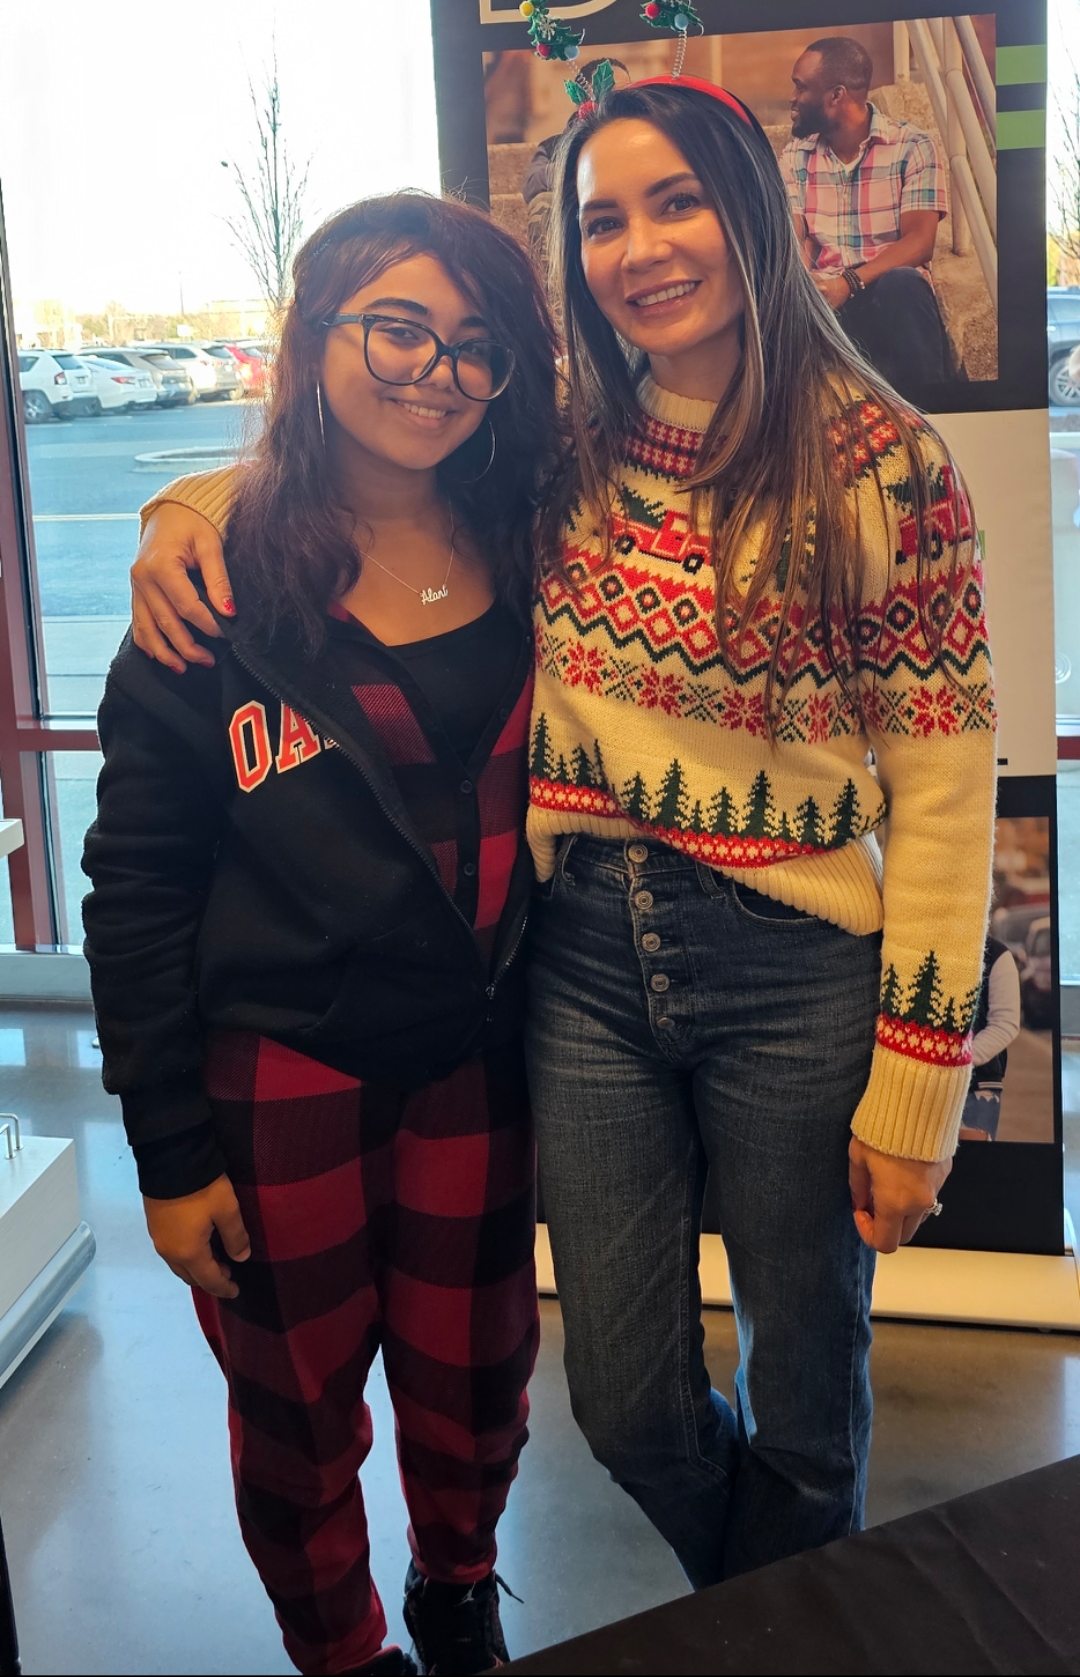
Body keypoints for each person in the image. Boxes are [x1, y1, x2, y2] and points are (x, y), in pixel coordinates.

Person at [129, 76, 995, 1588]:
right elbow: (357, 464)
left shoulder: (888, 465)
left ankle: (781, 1628)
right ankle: (791, 1609)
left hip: (795, 969)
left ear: (757, 214)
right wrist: (182, 511)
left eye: (677, 203)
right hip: (581, 960)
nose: (642, 247)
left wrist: (919, 1087)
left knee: (803, 1398)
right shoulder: (567, 450)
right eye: (604, 219)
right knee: (625, 1401)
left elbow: (942, 788)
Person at [83, 193, 561, 1677]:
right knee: (295, 1403)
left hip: (481, 1057)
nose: (436, 370)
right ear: (314, 337)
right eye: (397, 326)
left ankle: (458, 1591)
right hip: (284, 1070)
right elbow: (136, 881)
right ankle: (343, 1649)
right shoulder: (213, 594)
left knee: (476, 1378)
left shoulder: (542, 544)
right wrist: (169, 1152)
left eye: (474, 346)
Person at [781, 35, 956, 397]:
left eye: (801, 88)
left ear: (836, 96)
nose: (793, 99)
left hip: (886, 297)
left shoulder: (912, 147)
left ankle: (933, 417)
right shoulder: (796, 155)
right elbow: (792, 238)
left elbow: (920, 244)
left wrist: (849, 283)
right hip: (823, 304)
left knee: (904, 285)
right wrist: (808, 288)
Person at [959, 935, 1022, 1140]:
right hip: (916, 1084)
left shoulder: (995, 954)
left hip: (977, 1086)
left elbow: (1005, 1024)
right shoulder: (916, 946)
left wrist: (958, 1060)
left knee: (973, 1166)